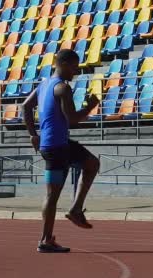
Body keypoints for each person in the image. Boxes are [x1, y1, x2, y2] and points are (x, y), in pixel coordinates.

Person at [21, 49, 101, 253]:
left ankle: (73, 211)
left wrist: (33, 135)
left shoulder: (44, 84)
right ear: (64, 64)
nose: (76, 72)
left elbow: (25, 106)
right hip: (58, 148)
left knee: (91, 163)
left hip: (50, 145)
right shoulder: (62, 88)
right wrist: (91, 106)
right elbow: (72, 120)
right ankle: (46, 239)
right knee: (52, 194)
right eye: (74, 67)